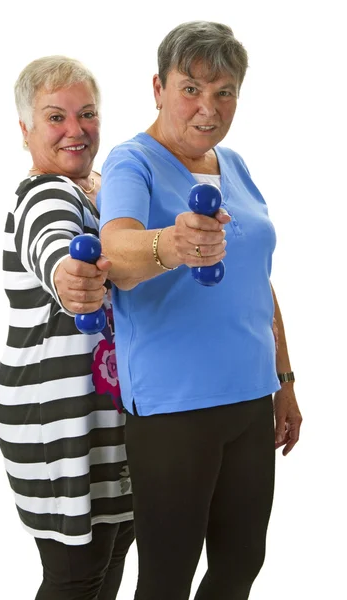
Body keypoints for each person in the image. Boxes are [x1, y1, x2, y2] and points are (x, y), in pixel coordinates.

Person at [98, 21, 302, 600]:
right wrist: (173, 244)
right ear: (158, 88)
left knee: (241, 567)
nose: (207, 108)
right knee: (166, 581)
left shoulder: (233, 165)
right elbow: (117, 249)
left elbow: (257, 282)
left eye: (224, 91)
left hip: (249, 400)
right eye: (191, 88)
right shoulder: (130, 162)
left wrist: (283, 379)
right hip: (174, 409)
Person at [0, 56, 133, 600]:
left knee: (110, 558)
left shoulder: (95, 190)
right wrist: (68, 275)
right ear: (25, 129)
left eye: (87, 114)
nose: (76, 130)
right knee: (77, 576)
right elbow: (51, 243)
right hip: (58, 421)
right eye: (56, 117)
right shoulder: (46, 193)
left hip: (103, 415)